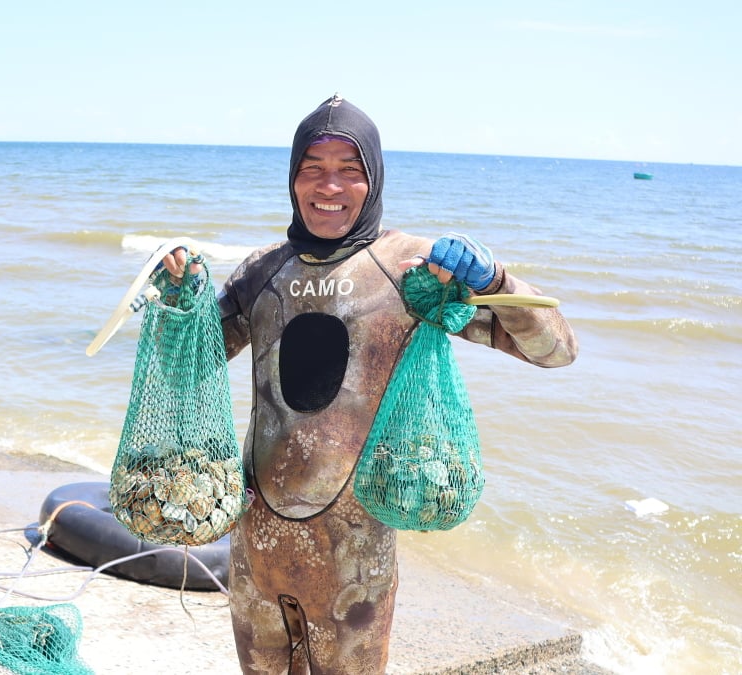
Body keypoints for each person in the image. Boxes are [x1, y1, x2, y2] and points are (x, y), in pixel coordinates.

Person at [161, 95, 578, 674]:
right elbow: (195, 361)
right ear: (292, 178)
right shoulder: (262, 272)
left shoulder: (414, 270)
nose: (329, 186)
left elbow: (556, 350)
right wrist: (182, 303)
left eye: (349, 171)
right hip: (255, 549)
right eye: (313, 168)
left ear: (373, 179)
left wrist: (496, 279)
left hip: (355, 560)